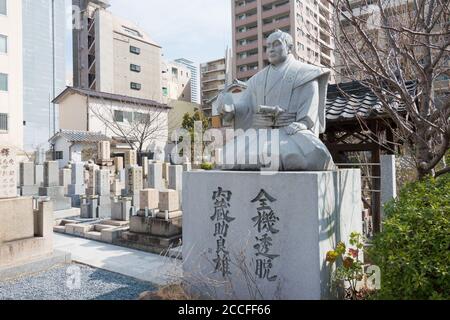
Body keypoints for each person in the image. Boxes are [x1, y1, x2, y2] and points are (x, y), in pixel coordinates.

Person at [217, 30, 335, 171]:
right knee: (228, 156)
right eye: (268, 46)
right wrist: (232, 108)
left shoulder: (305, 74)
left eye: (276, 44)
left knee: (314, 156)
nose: (271, 49)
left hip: (291, 131)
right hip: (260, 133)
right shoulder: (256, 79)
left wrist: (303, 123)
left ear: (289, 47)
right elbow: (246, 106)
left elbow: (309, 106)